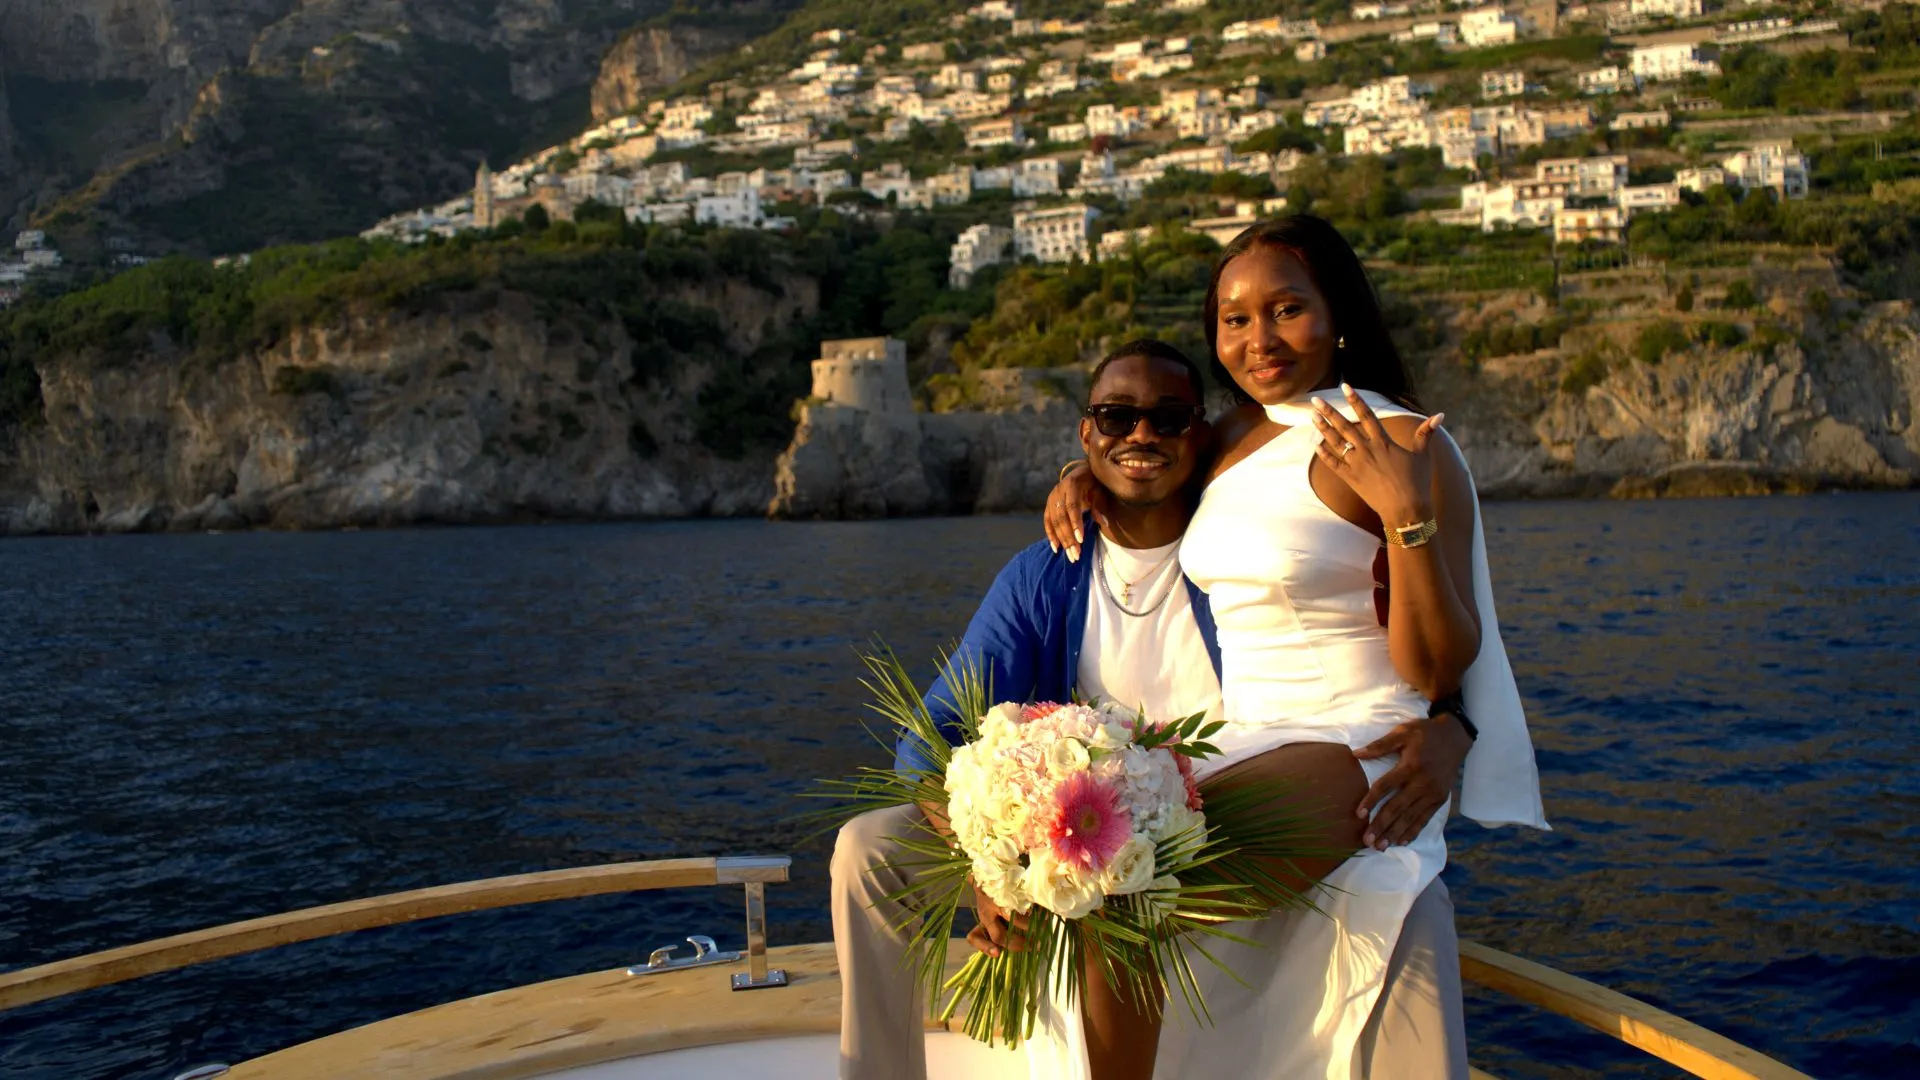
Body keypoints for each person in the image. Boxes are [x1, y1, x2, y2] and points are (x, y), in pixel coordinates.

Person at [832, 338, 1480, 1080]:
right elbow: (927, 740)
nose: (1141, 435)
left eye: (1168, 419)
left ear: (1201, 437)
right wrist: (989, 863)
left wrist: (1454, 721)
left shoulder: (1248, 556)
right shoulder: (1048, 576)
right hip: (1063, 837)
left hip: (1228, 819)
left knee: (1409, 902)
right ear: (1086, 433)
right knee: (867, 851)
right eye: (1116, 417)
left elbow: (1364, 653)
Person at [1039, 216, 1549, 1079]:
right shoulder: (1236, 435)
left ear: (1337, 313)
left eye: (1285, 310)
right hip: (1240, 736)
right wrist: (1082, 476)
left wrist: (1405, 515)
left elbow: (1434, 666)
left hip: (1360, 739)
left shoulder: (1399, 441)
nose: (1257, 339)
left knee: (1125, 891)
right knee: (1092, 876)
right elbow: (1146, 457)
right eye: (1234, 320)